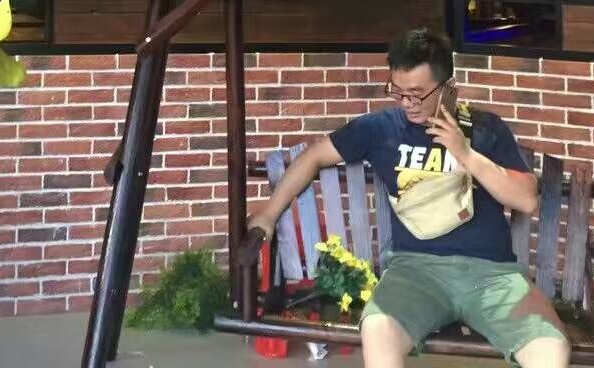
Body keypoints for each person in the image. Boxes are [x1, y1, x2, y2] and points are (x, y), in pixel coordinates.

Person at [245, 29, 571, 368]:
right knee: (378, 328)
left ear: (448, 87)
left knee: (550, 348)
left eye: (417, 93)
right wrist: (269, 213)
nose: (407, 103)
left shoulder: (485, 128)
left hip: (493, 275)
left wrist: (465, 153)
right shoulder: (380, 129)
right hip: (415, 272)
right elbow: (312, 156)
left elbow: (526, 200)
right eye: (398, 91)